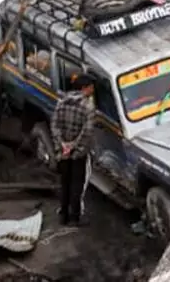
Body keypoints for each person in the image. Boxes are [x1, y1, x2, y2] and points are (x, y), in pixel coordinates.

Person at [51, 73, 95, 226]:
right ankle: (75, 217)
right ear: (84, 88)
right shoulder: (88, 107)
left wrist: (62, 144)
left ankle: (63, 215)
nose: (92, 91)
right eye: (91, 88)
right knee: (77, 184)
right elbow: (87, 132)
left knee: (64, 182)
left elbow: (55, 125)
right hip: (77, 153)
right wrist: (74, 147)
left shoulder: (61, 102)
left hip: (62, 151)